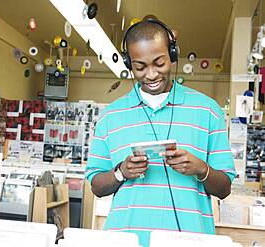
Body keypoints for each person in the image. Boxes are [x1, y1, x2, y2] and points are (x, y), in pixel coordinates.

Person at [85, 19, 236, 247]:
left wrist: (200, 169)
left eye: (159, 63)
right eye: (140, 67)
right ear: (129, 64)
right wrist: (121, 172)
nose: (152, 74)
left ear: (173, 54)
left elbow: (224, 188)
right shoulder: (110, 116)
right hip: (126, 241)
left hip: (191, 241)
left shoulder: (208, 111)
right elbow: (97, 186)